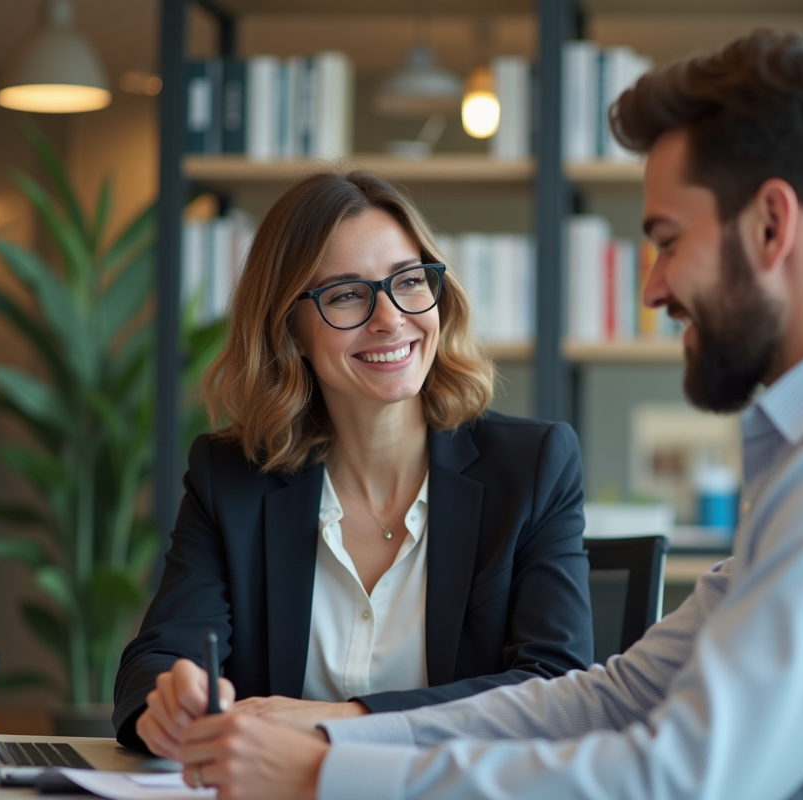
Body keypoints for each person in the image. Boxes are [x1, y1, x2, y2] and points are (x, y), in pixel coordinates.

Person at [169, 30, 803, 799]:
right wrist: (336, 740)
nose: (653, 288)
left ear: (772, 226)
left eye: (667, 241)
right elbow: (618, 696)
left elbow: (676, 781)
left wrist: (323, 778)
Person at [112, 170, 595, 755]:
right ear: (290, 331)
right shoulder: (232, 477)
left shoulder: (533, 467)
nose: (390, 318)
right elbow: (158, 661)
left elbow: (555, 690)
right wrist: (170, 702)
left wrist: (342, 719)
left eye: (409, 281)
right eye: (345, 295)